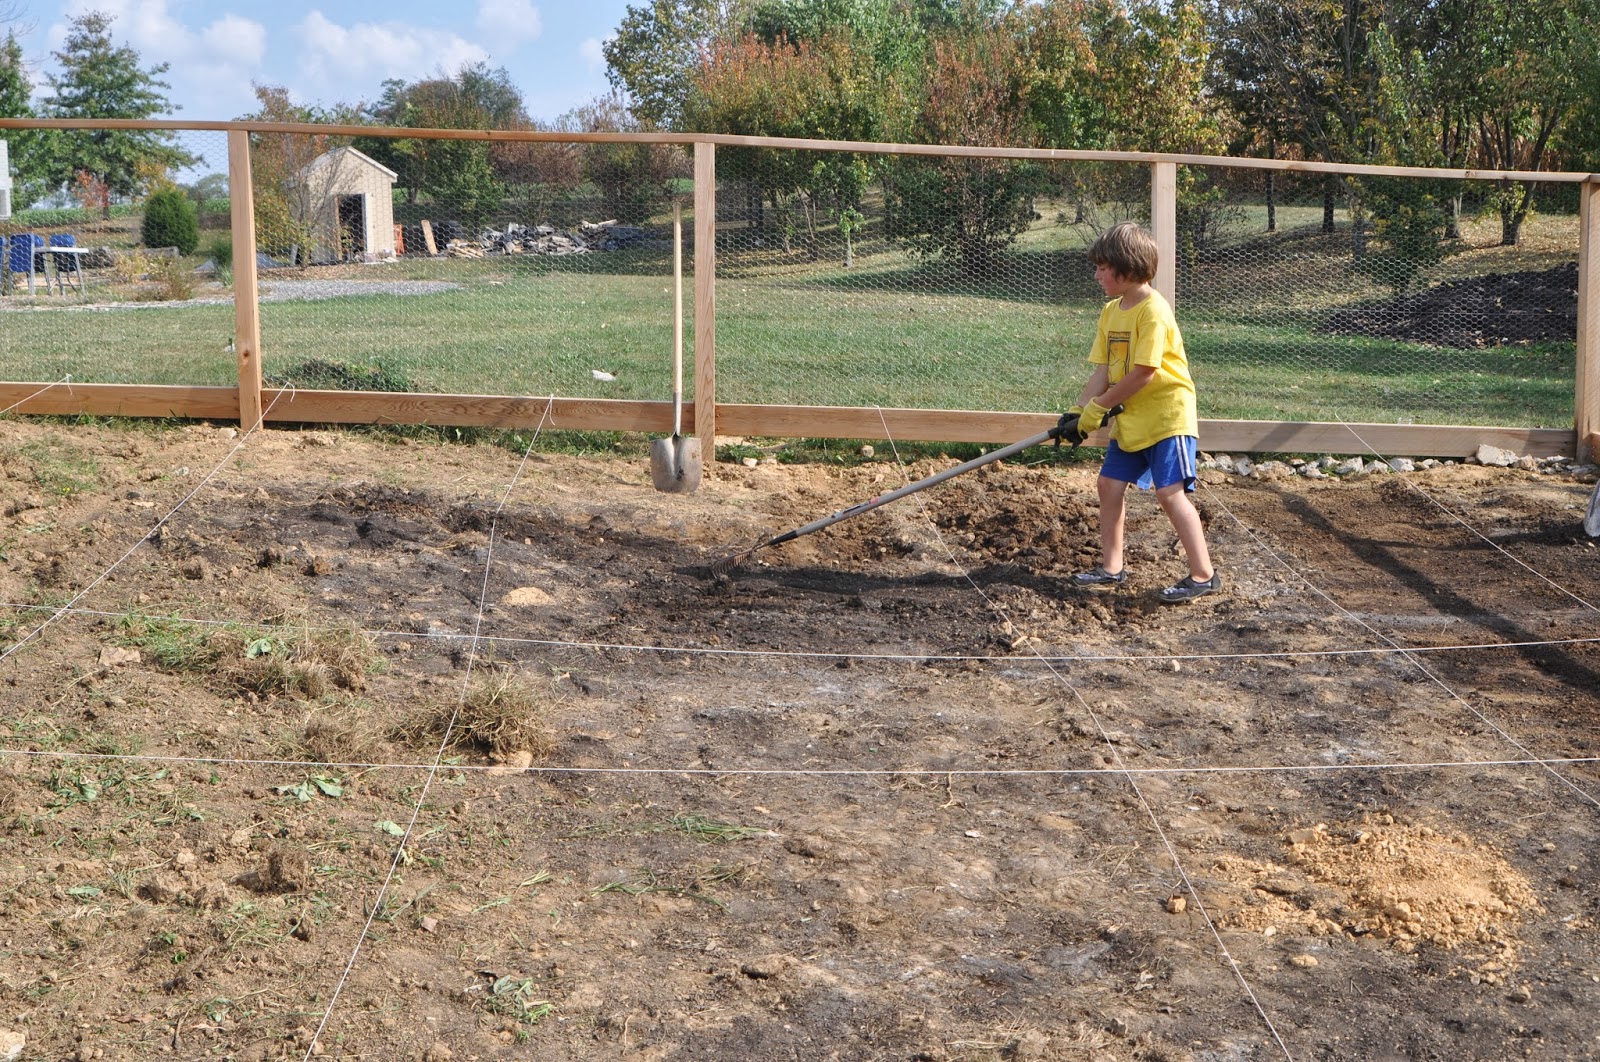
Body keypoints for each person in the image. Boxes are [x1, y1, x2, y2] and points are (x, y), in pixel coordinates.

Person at [1058, 221, 1219, 604]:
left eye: (1102, 268)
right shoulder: (1112, 312)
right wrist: (1077, 411)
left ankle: (1203, 575)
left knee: (1170, 493)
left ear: (1127, 271)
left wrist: (1100, 407)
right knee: (1108, 485)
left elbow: (1144, 373)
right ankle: (1111, 568)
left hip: (1167, 417)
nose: (1096, 275)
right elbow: (1103, 371)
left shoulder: (1153, 312)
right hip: (1132, 419)